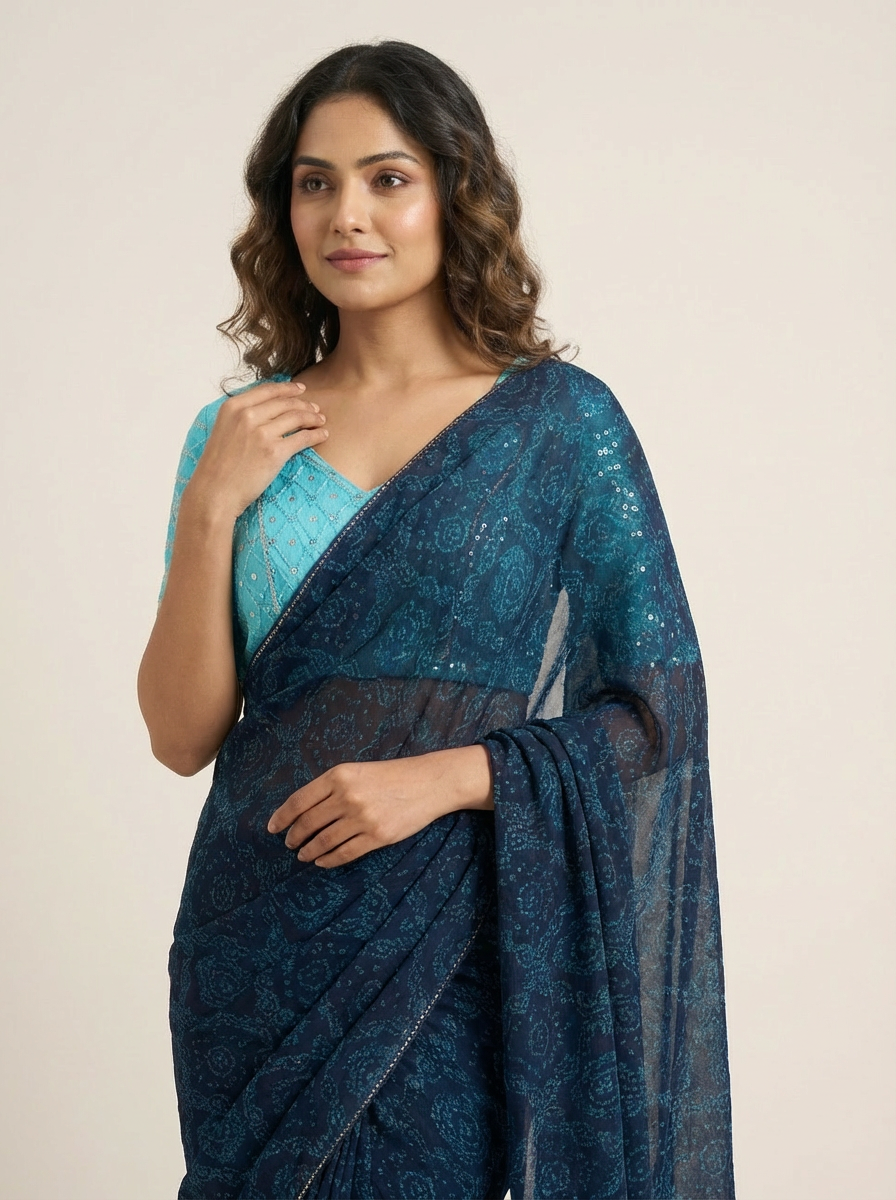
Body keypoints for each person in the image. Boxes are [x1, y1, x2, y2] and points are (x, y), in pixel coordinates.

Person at [138, 40, 735, 1200]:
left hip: (445, 945)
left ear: (454, 193)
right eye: (314, 183)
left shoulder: (557, 427)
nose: (346, 216)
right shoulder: (238, 435)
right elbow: (178, 734)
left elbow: (660, 713)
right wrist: (211, 507)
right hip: (251, 945)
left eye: (386, 178)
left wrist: (448, 778)